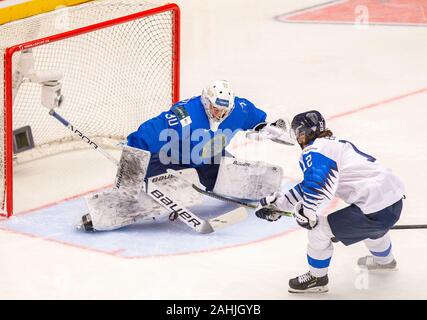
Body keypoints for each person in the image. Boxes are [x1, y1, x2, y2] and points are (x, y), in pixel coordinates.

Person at [255, 110, 405, 293]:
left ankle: (317, 279)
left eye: (298, 133)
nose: (297, 138)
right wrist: (279, 204)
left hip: (375, 209)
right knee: (372, 228)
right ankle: (385, 261)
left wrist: (308, 213)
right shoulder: (333, 144)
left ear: (303, 133)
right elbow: (310, 185)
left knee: (318, 231)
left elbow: (317, 183)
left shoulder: (315, 149)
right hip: (394, 201)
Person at [127, 79, 289, 191]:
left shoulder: (240, 109)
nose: (220, 114)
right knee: (161, 181)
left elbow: (256, 121)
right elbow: (152, 131)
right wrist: (132, 154)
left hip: (209, 155)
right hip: (173, 158)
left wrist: (268, 128)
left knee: (229, 176)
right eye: (216, 109)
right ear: (206, 101)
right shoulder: (184, 114)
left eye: (225, 111)